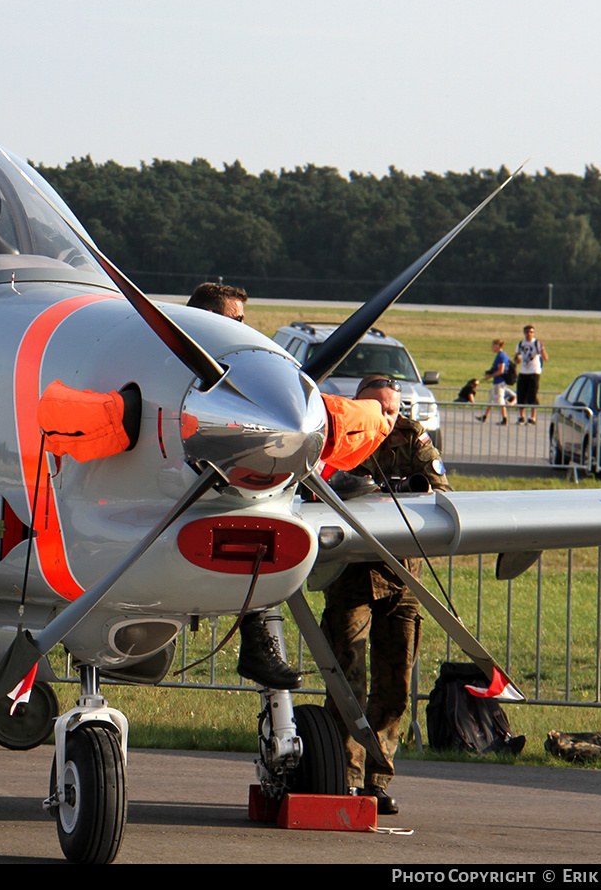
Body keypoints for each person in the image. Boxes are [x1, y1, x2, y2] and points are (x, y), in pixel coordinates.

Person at [321, 374, 451, 815]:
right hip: (350, 574)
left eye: (393, 409)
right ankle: (343, 775)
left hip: (402, 577)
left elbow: (443, 494)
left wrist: (413, 490)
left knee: (395, 685)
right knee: (348, 680)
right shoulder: (336, 437)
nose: (387, 416)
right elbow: (316, 488)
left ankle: (377, 779)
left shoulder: (412, 439)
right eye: (377, 408)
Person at [186, 281, 299, 689]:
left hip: (221, 486)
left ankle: (256, 644)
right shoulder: (169, 362)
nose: (244, 327)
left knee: (261, 536)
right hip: (171, 485)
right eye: (236, 320)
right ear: (211, 318)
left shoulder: (236, 367)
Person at [514, 325, 548, 425]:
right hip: (523, 372)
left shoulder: (536, 343)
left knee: (532, 394)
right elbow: (516, 359)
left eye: (531, 332)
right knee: (521, 394)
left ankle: (533, 417)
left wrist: (542, 349)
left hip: (534, 372)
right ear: (524, 333)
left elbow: (545, 358)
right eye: (527, 332)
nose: (529, 334)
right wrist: (518, 359)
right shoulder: (520, 344)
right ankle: (521, 416)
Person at [478, 339, 511, 424]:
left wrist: (490, 376)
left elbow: (501, 370)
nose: (492, 348)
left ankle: (504, 418)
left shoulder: (501, 356)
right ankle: (484, 416)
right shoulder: (500, 355)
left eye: (493, 346)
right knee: (491, 399)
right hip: (497, 381)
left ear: (497, 346)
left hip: (499, 382)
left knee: (500, 400)